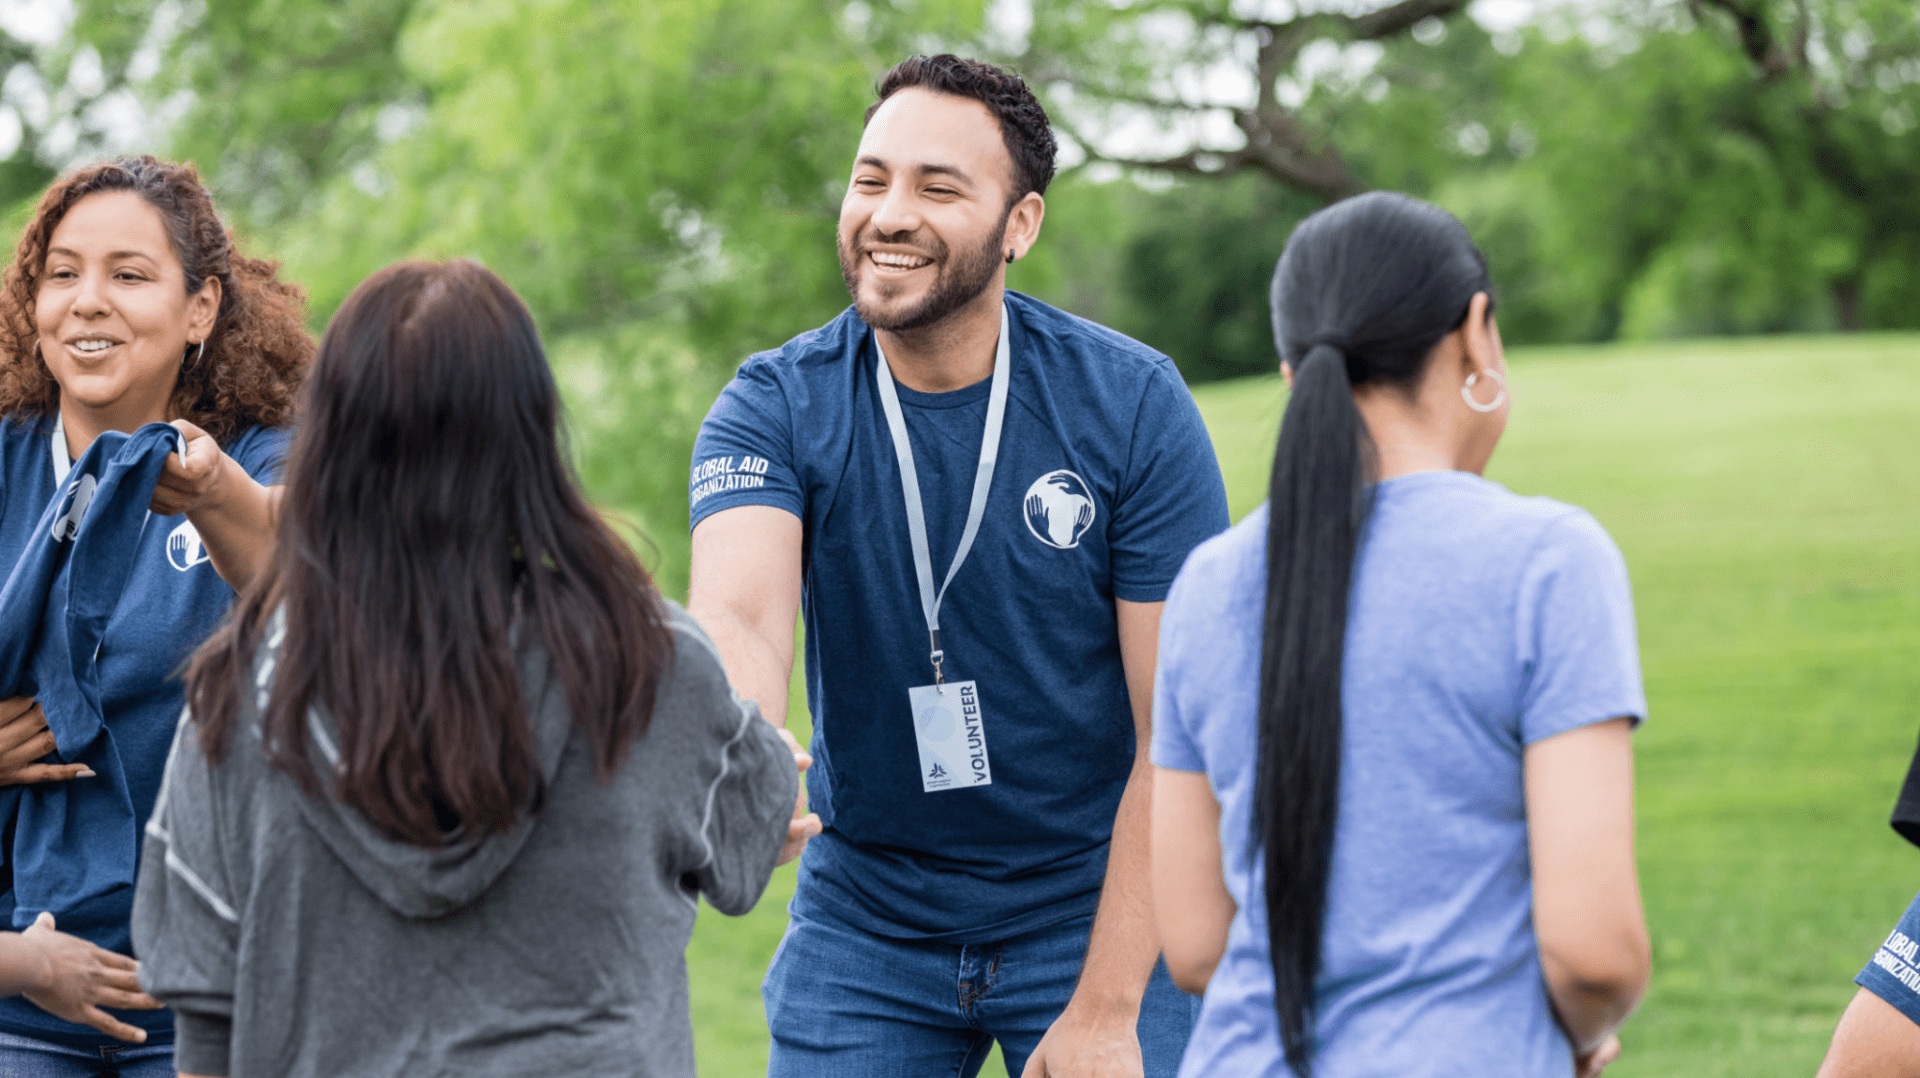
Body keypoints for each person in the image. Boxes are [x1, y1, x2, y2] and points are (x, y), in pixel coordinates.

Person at [688, 54, 1228, 1078]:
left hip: (1094, 901)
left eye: (938, 188)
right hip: (869, 914)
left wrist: (1110, 1009)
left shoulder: (1132, 408)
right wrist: (744, 747)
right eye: (871, 178)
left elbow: (1183, 723)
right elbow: (742, 616)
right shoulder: (774, 404)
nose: (890, 213)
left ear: (1019, 225)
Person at [130, 260, 800, 1078]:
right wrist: (763, 785)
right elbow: (748, 837)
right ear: (530, 435)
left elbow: (205, 1026)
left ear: (330, 441)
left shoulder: (238, 689)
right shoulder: (650, 658)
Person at [1149, 192, 1652, 1078]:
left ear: (1291, 372)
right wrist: (1571, 1037)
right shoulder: (1547, 561)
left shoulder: (1208, 585)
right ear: (1478, 333)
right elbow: (1594, 953)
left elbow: (1194, 947)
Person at [0, 154, 310, 1073]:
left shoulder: (264, 455)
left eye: (128, 275)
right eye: (63, 274)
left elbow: (312, 594)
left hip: (226, 986)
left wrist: (219, 496)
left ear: (202, 309)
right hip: (24, 986)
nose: (88, 301)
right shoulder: (6, 461)